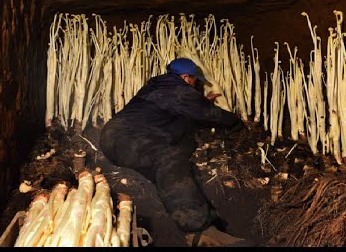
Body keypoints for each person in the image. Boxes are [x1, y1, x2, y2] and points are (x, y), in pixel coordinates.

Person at [99, 57, 243, 237]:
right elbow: (211, 114)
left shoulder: (158, 86)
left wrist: (200, 103)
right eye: (194, 80)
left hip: (116, 139)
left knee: (170, 168)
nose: (194, 85)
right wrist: (237, 122)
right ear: (185, 78)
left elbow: (182, 117)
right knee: (169, 161)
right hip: (128, 139)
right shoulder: (178, 90)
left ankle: (210, 218)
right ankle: (198, 230)